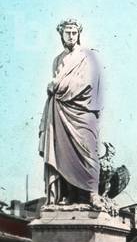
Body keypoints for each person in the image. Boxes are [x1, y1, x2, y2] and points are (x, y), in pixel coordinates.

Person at [38, 19, 103, 206]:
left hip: (83, 110)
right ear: (61, 34)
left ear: (79, 34)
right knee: (63, 153)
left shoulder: (87, 57)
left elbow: (88, 82)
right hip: (61, 111)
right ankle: (69, 195)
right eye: (67, 32)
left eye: (74, 32)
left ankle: (92, 194)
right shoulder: (57, 60)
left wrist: (57, 85)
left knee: (88, 151)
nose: (71, 36)